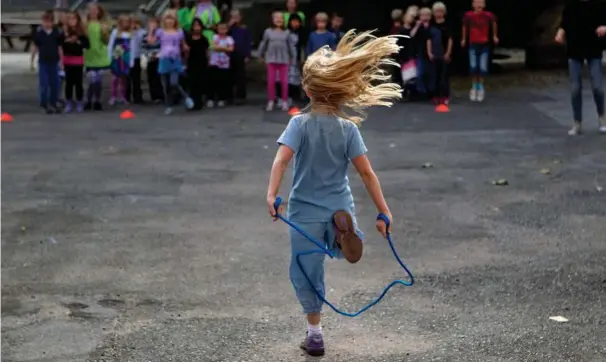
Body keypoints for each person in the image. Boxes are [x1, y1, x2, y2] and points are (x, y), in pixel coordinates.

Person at [266, 29, 397, 357]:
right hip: (340, 202)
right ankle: (342, 236)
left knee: (306, 268)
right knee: (331, 243)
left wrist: (271, 195)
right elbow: (367, 173)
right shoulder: (348, 128)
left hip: (304, 209)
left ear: (308, 90)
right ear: (340, 93)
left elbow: (281, 160)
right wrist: (384, 212)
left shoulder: (299, 124)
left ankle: (315, 333)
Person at [555, 0, 606, 135]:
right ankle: (577, 122)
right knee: (575, 88)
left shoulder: (599, 4)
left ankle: (602, 117)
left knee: (598, 87)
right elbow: (564, 24)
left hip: (594, 48)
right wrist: (560, 33)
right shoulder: (571, 5)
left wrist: (605, 28)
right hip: (574, 49)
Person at [157, 10, 194, 115]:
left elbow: (183, 44)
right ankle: (168, 105)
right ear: (164, 20)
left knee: (174, 83)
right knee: (166, 85)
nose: (169, 21)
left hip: (175, 59)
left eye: (171, 18)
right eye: (167, 18)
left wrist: (186, 48)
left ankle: (186, 98)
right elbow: (153, 41)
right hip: (164, 59)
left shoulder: (179, 32)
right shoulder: (160, 31)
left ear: (175, 20)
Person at [461, 0, 498, 102]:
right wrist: (464, 38)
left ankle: (480, 87)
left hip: (484, 44)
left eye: (481, 3)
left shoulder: (488, 15)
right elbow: (464, 26)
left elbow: (494, 23)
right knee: (473, 66)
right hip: (473, 44)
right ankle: (474, 87)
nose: (479, 5)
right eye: (476, 3)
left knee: (482, 67)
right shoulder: (469, 16)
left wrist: (494, 35)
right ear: (473, 5)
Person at [258, 11, 296, 111]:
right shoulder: (268, 32)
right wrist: (260, 55)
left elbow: (290, 46)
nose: (279, 20)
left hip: (284, 60)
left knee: (284, 82)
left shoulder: (287, 32)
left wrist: (293, 57)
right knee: (271, 82)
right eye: (276, 18)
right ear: (272, 20)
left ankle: (284, 101)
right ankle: (271, 101)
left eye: (281, 18)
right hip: (271, 59)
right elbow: (263, 43)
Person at [31, 10, 64, 114]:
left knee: (55, 84)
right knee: (44, 83)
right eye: (45, 22)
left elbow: (60, 48)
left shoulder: (56, 33)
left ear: (52, 22)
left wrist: (62, 61)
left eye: (49, 22)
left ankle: (53, 103)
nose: (47, 24)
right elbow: (35, 47)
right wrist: (31, 61)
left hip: (54, 62)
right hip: (43, 62)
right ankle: (44, 103)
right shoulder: (39, 34)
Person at [83, 2, 111, 110]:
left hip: (100, 54)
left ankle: (97, 100)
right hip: (89, 54)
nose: (93, 12)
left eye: (95, 10)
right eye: (91, 10)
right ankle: (89, 100)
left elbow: (106, 41)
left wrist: (105, 33)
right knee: (91, 79)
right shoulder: (85, 24)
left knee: (98, 79)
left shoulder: (103, 24)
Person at [61, 11, 89, 113]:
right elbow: (59, 44)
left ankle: (79, 101)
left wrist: (78, 42)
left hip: (78, 61)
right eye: (70, 19)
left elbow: (87, 45)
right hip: (68, 61)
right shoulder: (64, 33)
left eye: (74, 19)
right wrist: (67, 40)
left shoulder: (81, 33)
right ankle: (68, 101)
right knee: (68, 83)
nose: (72, 21)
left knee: (78, 83)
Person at [427, 1, 452, 105]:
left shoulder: (447, 25)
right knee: (435, 76)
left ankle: (445, 96)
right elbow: (428, 40)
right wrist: (429, 52)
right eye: (437, 11)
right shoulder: (431, 25)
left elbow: (450, 40)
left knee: (444, 76)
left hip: (444, 53)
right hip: (434, 53)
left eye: (441, 11)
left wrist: (448, 53)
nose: (439, 14)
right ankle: (436, 95)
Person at [107, 14, 133, 105]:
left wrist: (131, 60)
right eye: (124, 22)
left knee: (124, 78)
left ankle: (123, 97)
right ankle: (113, 96)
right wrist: (109, 57)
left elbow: (132, 47)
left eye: (127, 22)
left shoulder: (131, 33)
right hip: (116, 57)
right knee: (115, 77)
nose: (125, 24)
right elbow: (110, 45)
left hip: (126, 57)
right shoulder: (115, 32)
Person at [207, 22, 234, 108]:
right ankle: (210, 99)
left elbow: (231, 49)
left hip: (225, 63)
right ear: (217, 29)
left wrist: (220, 48)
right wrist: (225, 48)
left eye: (224, 28)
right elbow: (213, 47)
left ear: (227, 30)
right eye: (220, 29)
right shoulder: (214, 37)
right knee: (212, 81)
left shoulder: (229, 38)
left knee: (223, 82)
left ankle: (221, 99)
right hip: (214, 62)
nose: (222, 30)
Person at [228, 9, 252, 104]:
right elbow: (222, 33)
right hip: (229, 54)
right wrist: (229, 24)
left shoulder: (244, 29)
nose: (235, 19)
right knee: (230, 76)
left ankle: (241, 96)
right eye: (233, 17)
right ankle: (230, 96)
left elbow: (248, 42)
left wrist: (248, 55)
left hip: (241, 54)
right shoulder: (229, 28)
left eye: (237, 16)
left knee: (241, 75)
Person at [186, 18, 210, 110]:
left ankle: (199, 102)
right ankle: (192, 103)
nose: (196, 28)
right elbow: (186, 52)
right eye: (195, 25)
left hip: (202, 63)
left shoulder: (204, 39)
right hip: (192, 63)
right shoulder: (188, 38)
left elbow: (207, 52)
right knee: (192, 83)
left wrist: (208, 61)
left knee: (200, 83)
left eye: (198, 26)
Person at [141, 16, 163, 103]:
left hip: (158, 57)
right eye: (150, 23)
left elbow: (161, 45)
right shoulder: (145, 35)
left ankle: (160, 95)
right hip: (149, 58)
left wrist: (157, 54)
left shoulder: (161, 34)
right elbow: (143, 46)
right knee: (151, 77)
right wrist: (147, 55)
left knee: (158, 77)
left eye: (154, 23)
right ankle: (154, 96)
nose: (152, 25)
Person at [126, 18, 147, 104]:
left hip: (136, 57)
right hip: (127, 58)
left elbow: (143, 40)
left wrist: (137, 30)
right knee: (127, 79)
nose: (133, 25)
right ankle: (127, 96)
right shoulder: (126, 33)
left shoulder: (141, 32)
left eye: (135, 23)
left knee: (137, 79)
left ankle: (138, 97)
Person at [413, 7, 432, 98]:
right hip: (420, 52)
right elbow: (411, 35)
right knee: (420, 73)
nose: (425, 17)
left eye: (427, 15)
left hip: (431, 52)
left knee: (429, 73)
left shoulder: (432, 26)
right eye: (423, 15)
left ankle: (428, 91)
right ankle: (420, 90)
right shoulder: (418, 26)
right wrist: (417, 26)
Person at [286, 13, 305, 106]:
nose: (295, 23)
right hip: (288, 56)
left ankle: (298, 95)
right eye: (293, 21)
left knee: (298, 76)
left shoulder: (303, 32)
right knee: (288, 76)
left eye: (297, 21)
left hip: (298, 56)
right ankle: (288, 95)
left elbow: (303, 46)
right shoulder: (287, 32)